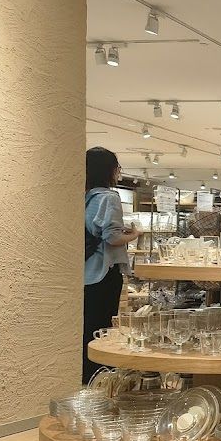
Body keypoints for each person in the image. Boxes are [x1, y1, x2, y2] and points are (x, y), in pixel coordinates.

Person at [84, 147, 139, 383]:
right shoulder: (109, 197)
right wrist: (135, 234)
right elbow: (113, 238)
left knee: (86, 324)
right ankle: (99, 378)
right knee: (101, 327)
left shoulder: (86, 196)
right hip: (104, 270)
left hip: (86, 270)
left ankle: (85, 375)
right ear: (110, 170)